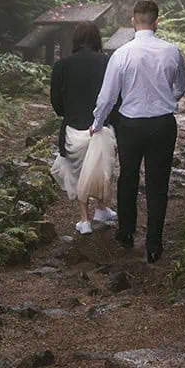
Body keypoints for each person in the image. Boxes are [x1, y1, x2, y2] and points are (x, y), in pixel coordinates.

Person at [90, 0, 185, 263]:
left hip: (130, 124)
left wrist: (97, 123)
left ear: (133, 22)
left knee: (128, 178)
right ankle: (154, 244)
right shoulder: (172, 51)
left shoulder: (121, 54)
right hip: (163, 124)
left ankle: (126, 233)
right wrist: (166, 98)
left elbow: (107, 96)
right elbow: (181, 86)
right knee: (158, 183)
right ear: (157, 22)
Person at [48, 21, 119, 234]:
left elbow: (56, 100)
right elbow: (114, 96)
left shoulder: (62, 65)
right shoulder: (107, 62)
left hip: (73, 129)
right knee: (100, 170)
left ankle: (84, 220)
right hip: (100, 128)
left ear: (76, 40)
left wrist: (68, 114)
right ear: (97, 39)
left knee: (80, 173)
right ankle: (102, 207)